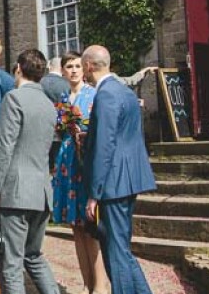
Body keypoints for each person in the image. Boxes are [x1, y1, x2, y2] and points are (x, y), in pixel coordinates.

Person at [0, 49, 61, 294]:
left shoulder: (14, 98)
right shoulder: (50, 105)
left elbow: (4, 147)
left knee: (11, 263)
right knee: (34, 256)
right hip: (41, 191)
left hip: (16, 192)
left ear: (18, 68)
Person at [82, 45, 157, 294]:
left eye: (83, 66)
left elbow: (106, 145)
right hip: (128, 177)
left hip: (113, 182)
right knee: (120, 248)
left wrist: (94, 193)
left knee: (115, 252)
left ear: (89, 66)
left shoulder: (106, 95)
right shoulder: (123, 91)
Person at [51, 51, 107, 294]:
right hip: (65, 161)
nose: (73, 70)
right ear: (62, 71)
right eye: (68, 67)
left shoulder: (93, 95)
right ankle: (86, 283)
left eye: (76, 66)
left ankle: (101, 285)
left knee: (90, 226)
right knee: (75, 227)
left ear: (83, 69)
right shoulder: (62, 98)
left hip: (84, 162)